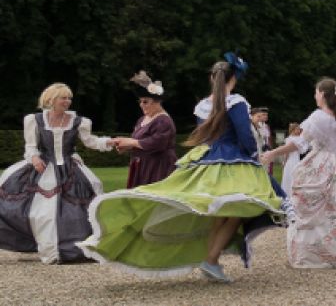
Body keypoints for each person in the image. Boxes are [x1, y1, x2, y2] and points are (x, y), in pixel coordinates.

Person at [78, 53, 283, 283]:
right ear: (234, 78)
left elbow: (206, 137)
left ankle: (211, 259)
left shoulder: (203, 105)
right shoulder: (236, 102)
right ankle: (212, 260)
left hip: (208, 158)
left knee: (220, 210)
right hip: (233, 158)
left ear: (211, 78)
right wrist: (253, 156)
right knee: (237, 210)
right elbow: (244, 136)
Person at [0, 83, 113, 264]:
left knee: (78, 212)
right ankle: (50, 251)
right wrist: (34, 158)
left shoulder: (79, 121)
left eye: (69, 98)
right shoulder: (34, 120)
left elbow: (90, 141)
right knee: (43, 213)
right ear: (51, 99)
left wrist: (110, 142)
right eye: (64, 98)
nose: (67, 101)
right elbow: (30, 147)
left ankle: (78, 248)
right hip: (43, 170)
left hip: (71, 170)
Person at [261, 78, 336, 268]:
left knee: (313, 206)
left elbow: (298, 143)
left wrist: (273, 153)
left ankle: (316, 254)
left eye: (316, 92)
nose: (314, 95)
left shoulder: (319, 116)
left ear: (323, 95)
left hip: (323, 163)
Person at [113, 71, 177, 188]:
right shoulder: (142, 119)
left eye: (146, 102)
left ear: (157, 102)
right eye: (140, 101)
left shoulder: (163, 120)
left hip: (158, 167)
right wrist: (128, 146)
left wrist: (131, 142)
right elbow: (140, 141)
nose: (141, 105)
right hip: (142, 166)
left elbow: (157, 143)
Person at [280, 123, 308, 196]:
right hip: (291, 160)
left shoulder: (299, 139)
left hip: (297, 159)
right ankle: (288, 192)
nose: (299, 131)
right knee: (289, 176)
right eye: (297, 129)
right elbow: (286, 152)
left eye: (299, 129)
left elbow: (302, 151)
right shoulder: (289, 139)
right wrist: (284, 162)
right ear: (293, 130)